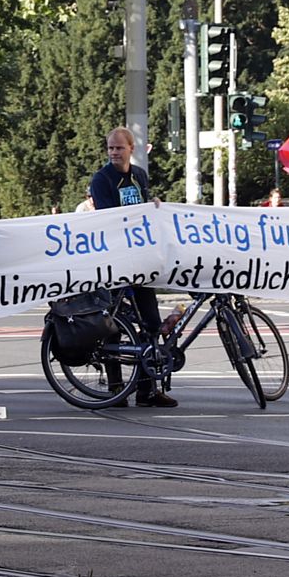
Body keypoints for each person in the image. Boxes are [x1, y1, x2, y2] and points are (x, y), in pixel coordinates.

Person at [89, 126, 174, 408]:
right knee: (113, 325)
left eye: (119, 148)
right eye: (110, 148)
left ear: (131, 149)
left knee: (151, 322)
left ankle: (148, 390)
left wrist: (154, 205)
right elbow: (108, 217)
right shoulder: (102, 179)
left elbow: (144, 207)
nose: (114, 152)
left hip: (141, 259)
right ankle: (116, 388)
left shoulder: (139, 175)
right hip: (116, 259)